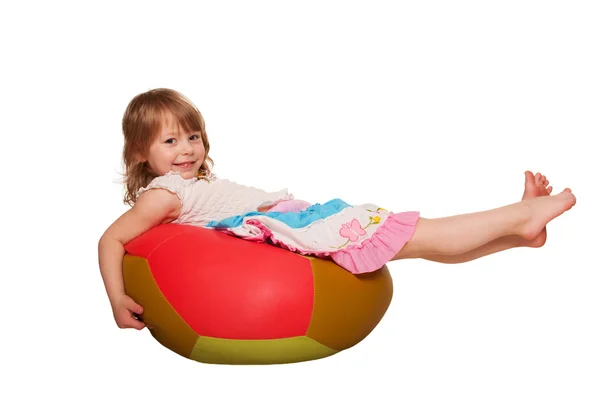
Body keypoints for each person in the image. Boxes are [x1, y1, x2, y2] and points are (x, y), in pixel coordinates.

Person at [98, 88, 577, 331]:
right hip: (294, 230)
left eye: (193, 136)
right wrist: (117, 301)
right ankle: (521, 217)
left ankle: (519, 234)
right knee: (417, 234)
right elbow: (112, 239)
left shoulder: (190, 182)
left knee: (415, 247)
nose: (186, 149)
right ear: (141, 152)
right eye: (169, 140)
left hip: (297, 222)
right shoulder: (163, 194)